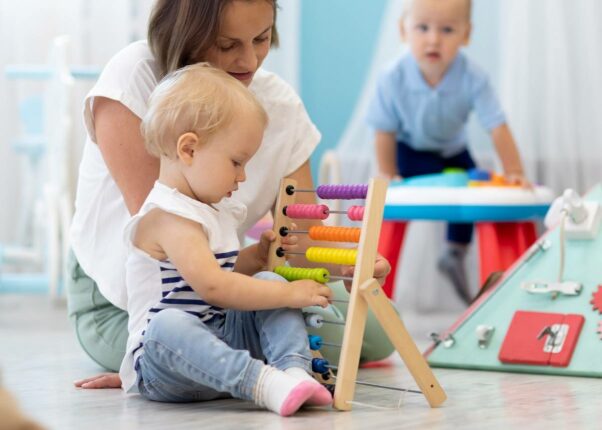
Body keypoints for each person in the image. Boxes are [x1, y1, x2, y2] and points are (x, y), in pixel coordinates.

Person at [68, 0, 394, 389]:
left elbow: (300, 242)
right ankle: (236, 371)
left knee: (375, 333)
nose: (250, 60)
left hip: (222, 282)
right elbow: (174, 258)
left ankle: (268, 367)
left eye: (260, 38)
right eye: (227, 45)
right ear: (187, 34)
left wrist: (342, 265)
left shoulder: (279, 105)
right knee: (183, 335)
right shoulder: (135, 75)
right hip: (136, 298)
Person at [119, 63, 334, 415]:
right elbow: (214, 287)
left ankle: (294, 372)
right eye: (236, 162)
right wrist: (292, 292)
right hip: (165, 366)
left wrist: (258, 256)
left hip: (216, 347)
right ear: (188, 150)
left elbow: (228, 269)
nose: (243, 176)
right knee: (167, 324)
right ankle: (263, 384)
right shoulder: (167, 217)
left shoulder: (210, 209)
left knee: (267, 279)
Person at [366, 0, 528, 303]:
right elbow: (383, 130)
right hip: (410, 150)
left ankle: (455, 251)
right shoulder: (392, 76)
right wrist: (387, 170)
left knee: (472, 189)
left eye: (448, 30)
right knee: (396, 198)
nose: (433, 39)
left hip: (454, 151)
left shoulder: (474, 77)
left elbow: (497, 125)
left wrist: (515, 171)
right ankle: (380, 267)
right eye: (423, 28)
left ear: (466, 35)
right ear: (404, 30)